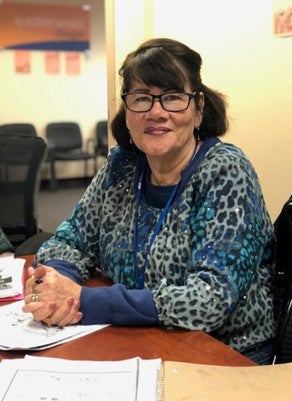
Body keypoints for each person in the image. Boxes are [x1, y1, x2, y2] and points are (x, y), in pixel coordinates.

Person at [23, 38, 276, 364]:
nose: (156, 112)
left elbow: (208, 301)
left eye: (172, 98)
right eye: (142, 98)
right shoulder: (121, 166)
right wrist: (55, 288)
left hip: (222, 353)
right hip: (134, 341)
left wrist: (86, 300)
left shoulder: (226, 172)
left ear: (198, 109)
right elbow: (69, 240)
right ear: (127, 110)